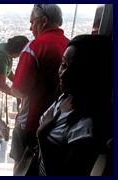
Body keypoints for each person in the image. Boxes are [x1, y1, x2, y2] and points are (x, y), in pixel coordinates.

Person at [36, 34, 113, 175]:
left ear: (93, 75)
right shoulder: (66, 97)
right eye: (63, 65)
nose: (63, 74)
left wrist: (41, 135)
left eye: (76, 70)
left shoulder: (85, 126)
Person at [10, 4, 70, 175]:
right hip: (58, 122)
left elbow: (20, 90)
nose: (30, 27)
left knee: (21, 167)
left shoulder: (34, 47)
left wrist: (12, 88)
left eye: (32, 22)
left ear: (44, 21)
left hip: (31, 123)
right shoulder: (71, 46)